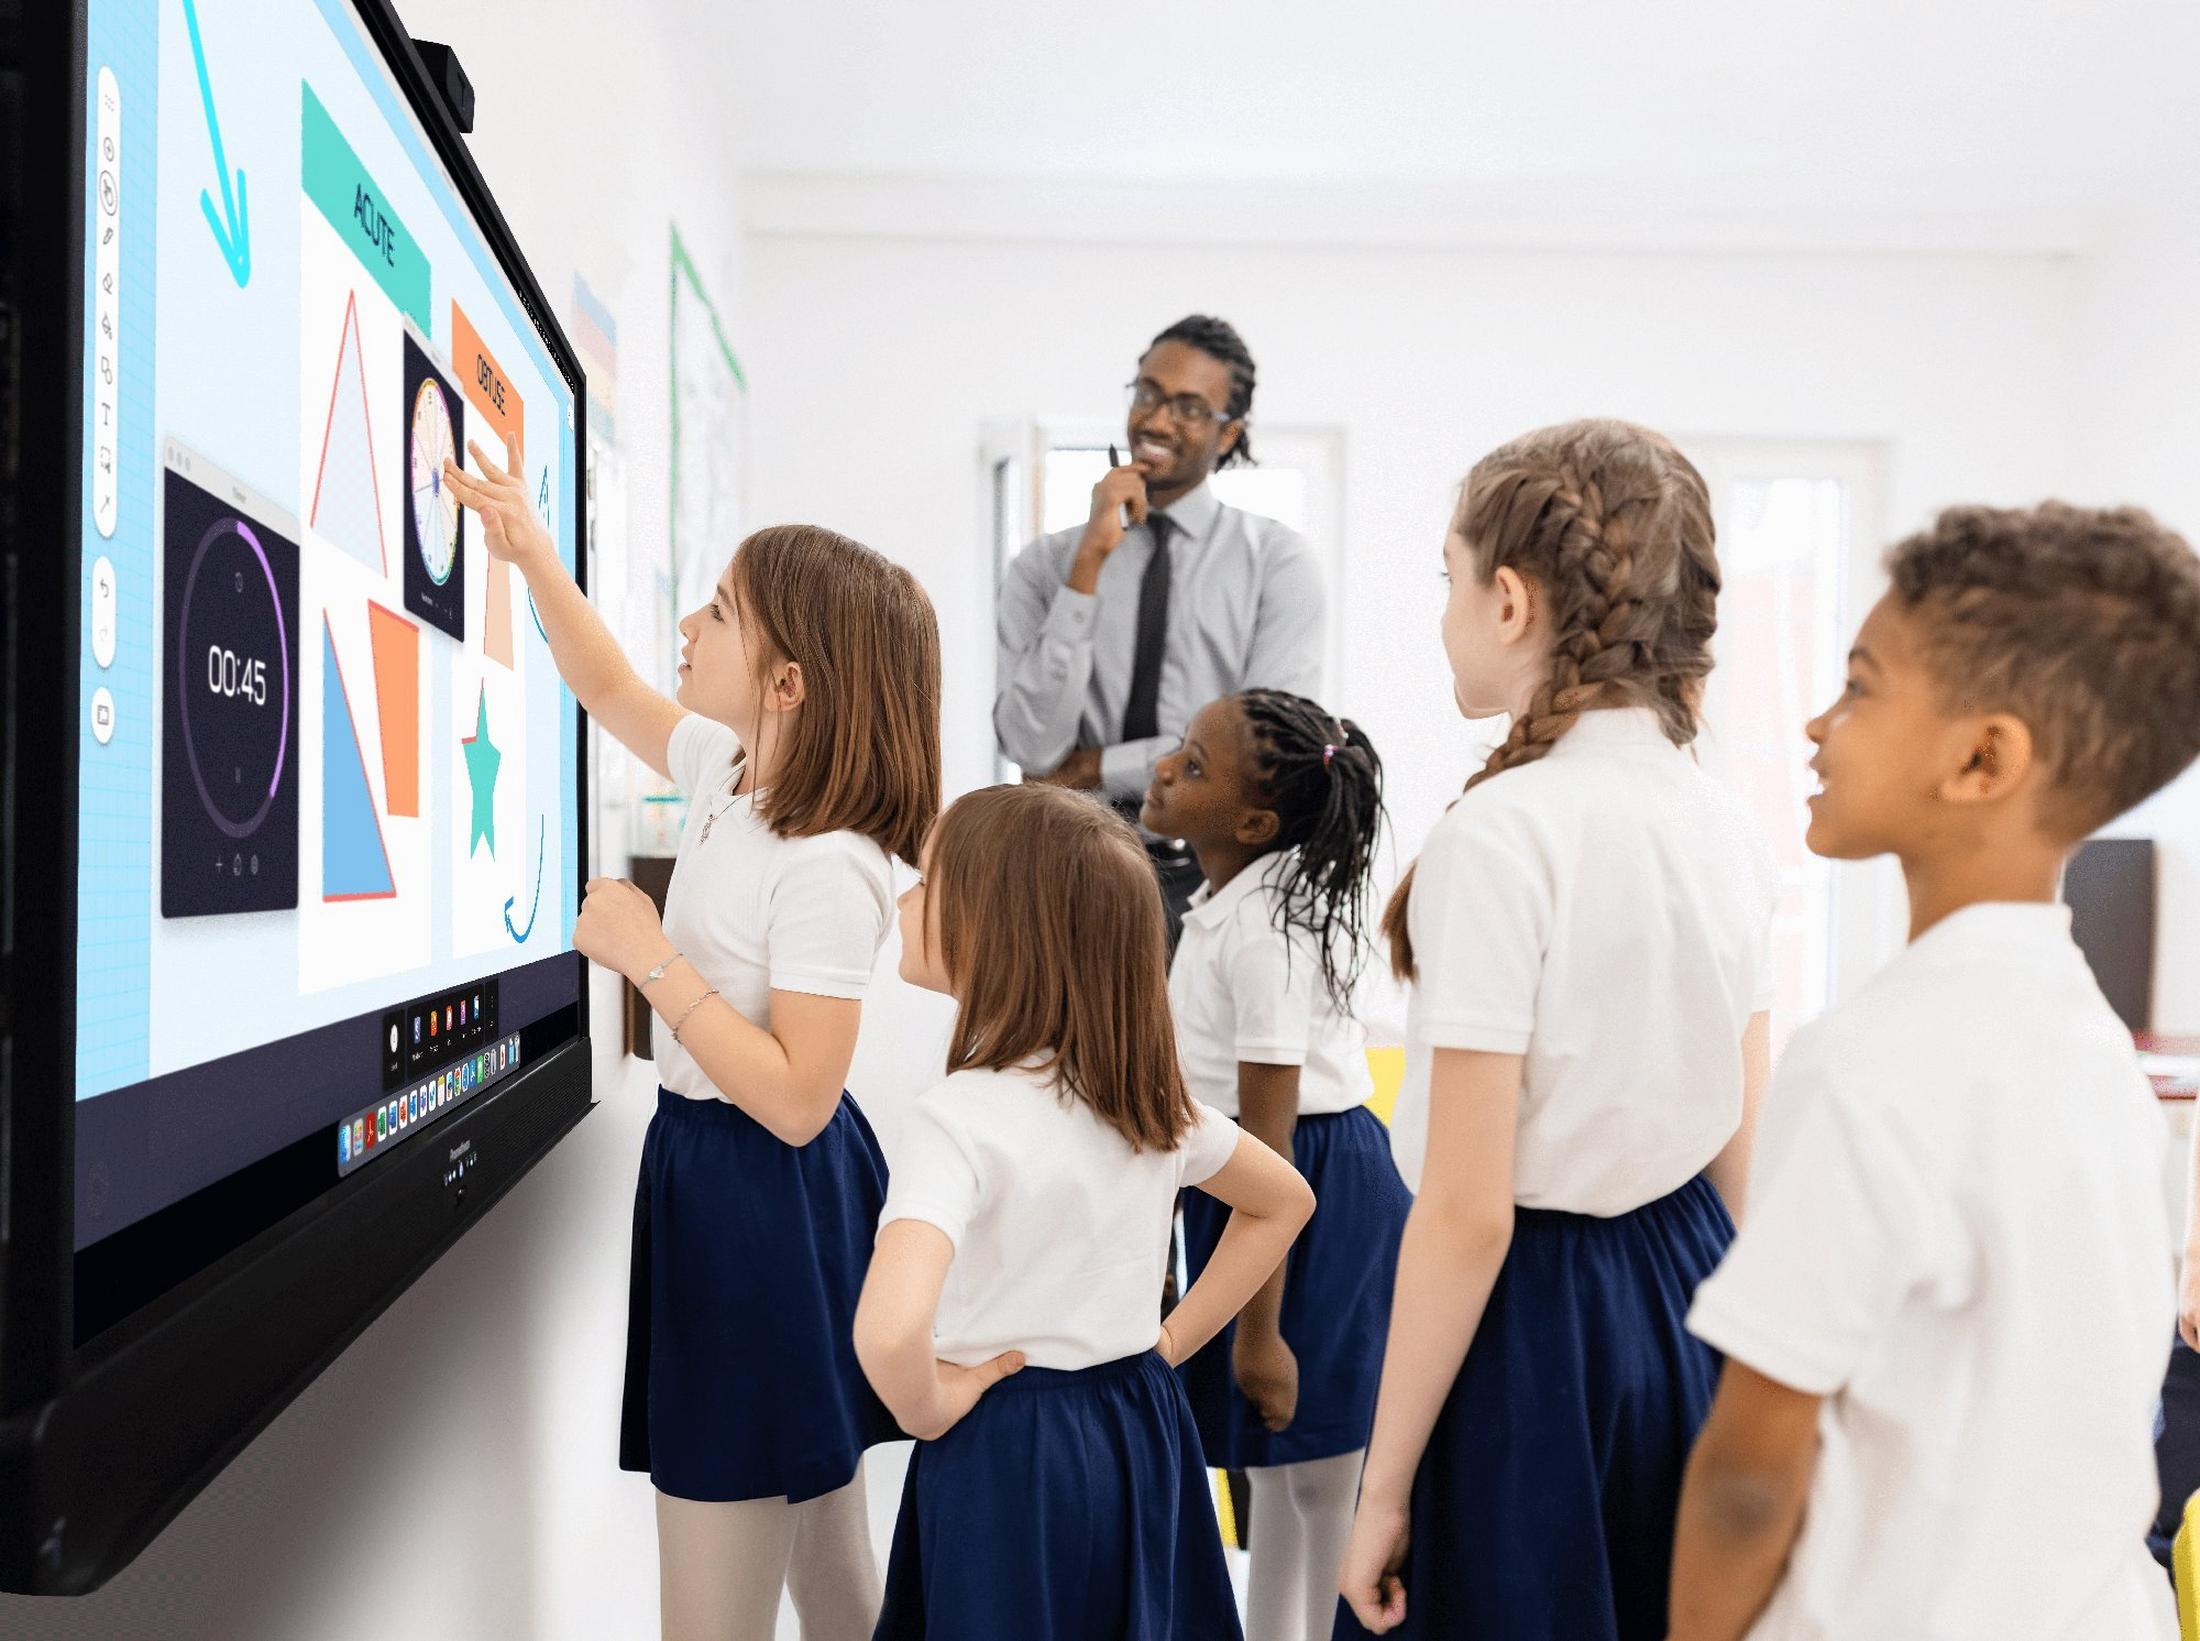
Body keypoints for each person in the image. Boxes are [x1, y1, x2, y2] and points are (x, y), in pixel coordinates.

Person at [1669, 502, 2200, 1641]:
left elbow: (1749, 1476)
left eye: (1858, 687)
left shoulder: (1873, 1058)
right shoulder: (2087, 1047)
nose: (1814, 723)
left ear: (1982, 758)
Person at [444, 442, 940, 1641]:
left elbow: (799, 1101)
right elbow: (608, 686)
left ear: (787, 684)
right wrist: (528, 556)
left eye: (719, 612)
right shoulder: (731, 772)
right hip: (725, 1180)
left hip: (766, 1189)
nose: (687, 623)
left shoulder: (831, 868)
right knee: (827, 1556)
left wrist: (648, 958)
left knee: (726, 1580)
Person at [1335, 419, 1776, 1638]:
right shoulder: (1720, 824)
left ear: (1512, 601)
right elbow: (1747, 1152)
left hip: (1533, 1327)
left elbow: (1470, 1212)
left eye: (1448, 577)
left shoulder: (1502, 835)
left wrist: (1379, 1489)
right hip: (1685, 1302)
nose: (1444, 611)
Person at [855, 782, 1314, 1639]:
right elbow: (1285, 1199)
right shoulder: (1146, 1099)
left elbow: (888, 1331)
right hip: (1139, 1425)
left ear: (994, 927)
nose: (902, 894)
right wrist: (1171, 1342)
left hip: (1006, 1451)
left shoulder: (956, 1118)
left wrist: (924, 1408)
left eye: (925, 878)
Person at [1143, 688, 1411, 1641]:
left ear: (1255, 822)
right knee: (1274, 1477)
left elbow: (1270, 1134)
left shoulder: (1263, 932)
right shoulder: (1234, 902)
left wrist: (1260, 1330)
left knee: (1321, 1476)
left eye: (1195, 764)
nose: (1166, 767)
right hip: (1257, 1185)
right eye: (1180, 748)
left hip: (1308, 1196)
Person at [993, 314, 1325, 944]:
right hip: (1065, 867)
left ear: (1229, 434)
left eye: (1190, 408)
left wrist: (1095, 767)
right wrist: (1088, 563)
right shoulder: (1044, 567)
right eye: (1147, 394)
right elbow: (1033, 748)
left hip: (1215, 877)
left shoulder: (1278, 564)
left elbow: (1260, 751)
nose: (1157, 422)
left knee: (1195, 1048)